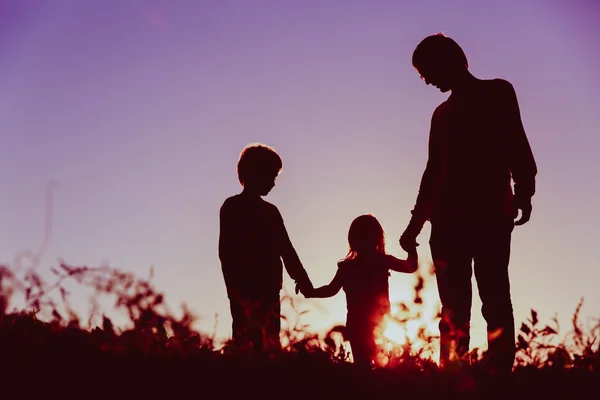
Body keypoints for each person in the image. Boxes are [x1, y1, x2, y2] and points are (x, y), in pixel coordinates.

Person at [399, 33, 538, 373]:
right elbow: (432, 171)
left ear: (451, 60)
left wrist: (525, 187)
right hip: (447, 222)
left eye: (427, 71)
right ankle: (454, 373)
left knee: (493, 295)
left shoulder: (498, 92)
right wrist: (415, 224)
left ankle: (498, 372)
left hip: (488, 214)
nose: (427, 80)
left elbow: (514, 141)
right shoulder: (441, 115)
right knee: (455, 306)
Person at [218, 143, 314, 353]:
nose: (273, 183)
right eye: (270, 176)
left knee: (269, 342)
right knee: (245, 339)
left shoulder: (271, 212)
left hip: (269, 289)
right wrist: (233, 288)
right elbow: (226, 252)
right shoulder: (232, 207)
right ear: (253, 173)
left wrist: (302, 278)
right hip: (244, 290)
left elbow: (286, 249)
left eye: (275, 178)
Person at [305, 214, 418, 369]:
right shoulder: (382, 261)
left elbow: (330, 290)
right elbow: (411, 267)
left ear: (352, 240)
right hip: (379, 325)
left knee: (362, 369)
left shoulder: (348, 267)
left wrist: (311, 291)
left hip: (357, 326)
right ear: (378, 238)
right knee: (383, 368)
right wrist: (411, 247)